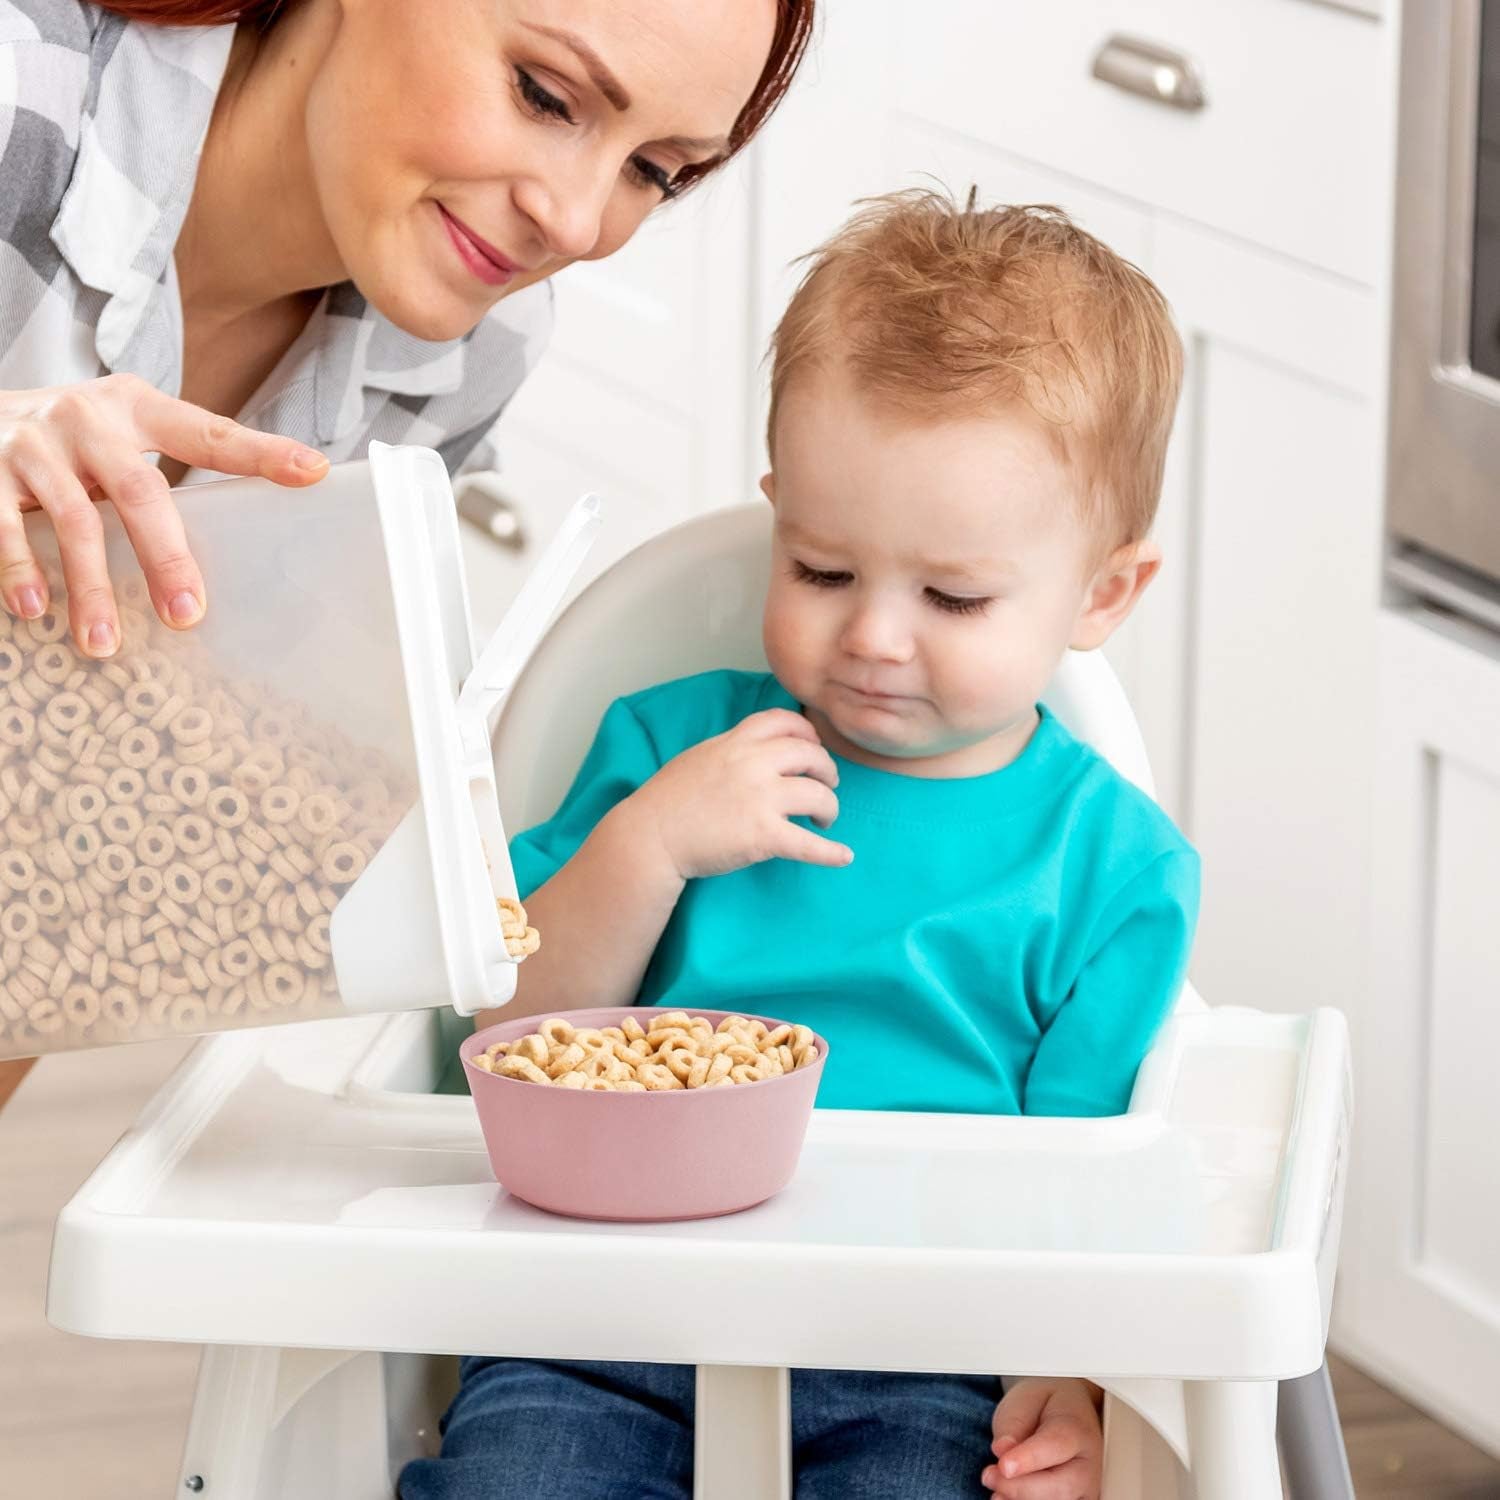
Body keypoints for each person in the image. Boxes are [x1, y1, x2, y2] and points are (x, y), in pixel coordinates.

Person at [406, 192, 1201, 1500]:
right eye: (825, 570)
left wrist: (1080, 1378)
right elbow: (490, 1036)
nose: (876, 636)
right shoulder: (664, 754)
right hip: (602, 1317)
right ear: (778, 514)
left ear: (1101, 592)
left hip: (922, 1353)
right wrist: (647, 847)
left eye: (951, 595)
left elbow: (1092, 1197)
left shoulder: (1113, 877)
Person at [0, 0, 814, 1103]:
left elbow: (69, 835)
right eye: (545, 94)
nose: (575, 223)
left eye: (657, 171)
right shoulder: (22, 92)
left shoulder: (468, 347)